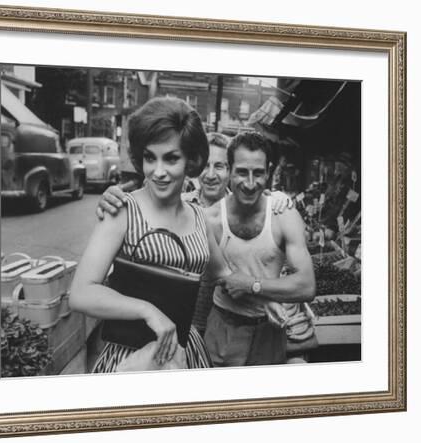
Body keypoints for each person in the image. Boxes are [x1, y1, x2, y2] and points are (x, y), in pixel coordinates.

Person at [69, 97, 229, 373]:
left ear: (191, 160)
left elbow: (223, 273)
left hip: (184, 352)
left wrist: (267, 295)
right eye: (149, 157)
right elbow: (80, 293)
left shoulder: (200, 218)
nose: (159, 172)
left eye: (171, 158)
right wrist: (148, 310)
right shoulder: (122, 210)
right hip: (130, 358)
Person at [96, 132, 293, 337]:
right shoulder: (179, 206)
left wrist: (277, 198)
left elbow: (229, 277)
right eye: (205, 165)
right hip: (173, 323)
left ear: (232, 170)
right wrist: (113, 199)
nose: (210, 175)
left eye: (219, 166)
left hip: (223, 327)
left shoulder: (253, 207)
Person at [204, 132, 315, 366]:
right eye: (242, 172)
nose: (250, 183)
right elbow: (216, 275)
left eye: (259, 173)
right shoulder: (211, 219)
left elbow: (306, 286)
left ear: (269, 172)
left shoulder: (284, 215)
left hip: (270, 330)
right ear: (230, 170)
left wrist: (251, 284)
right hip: (224, 327)